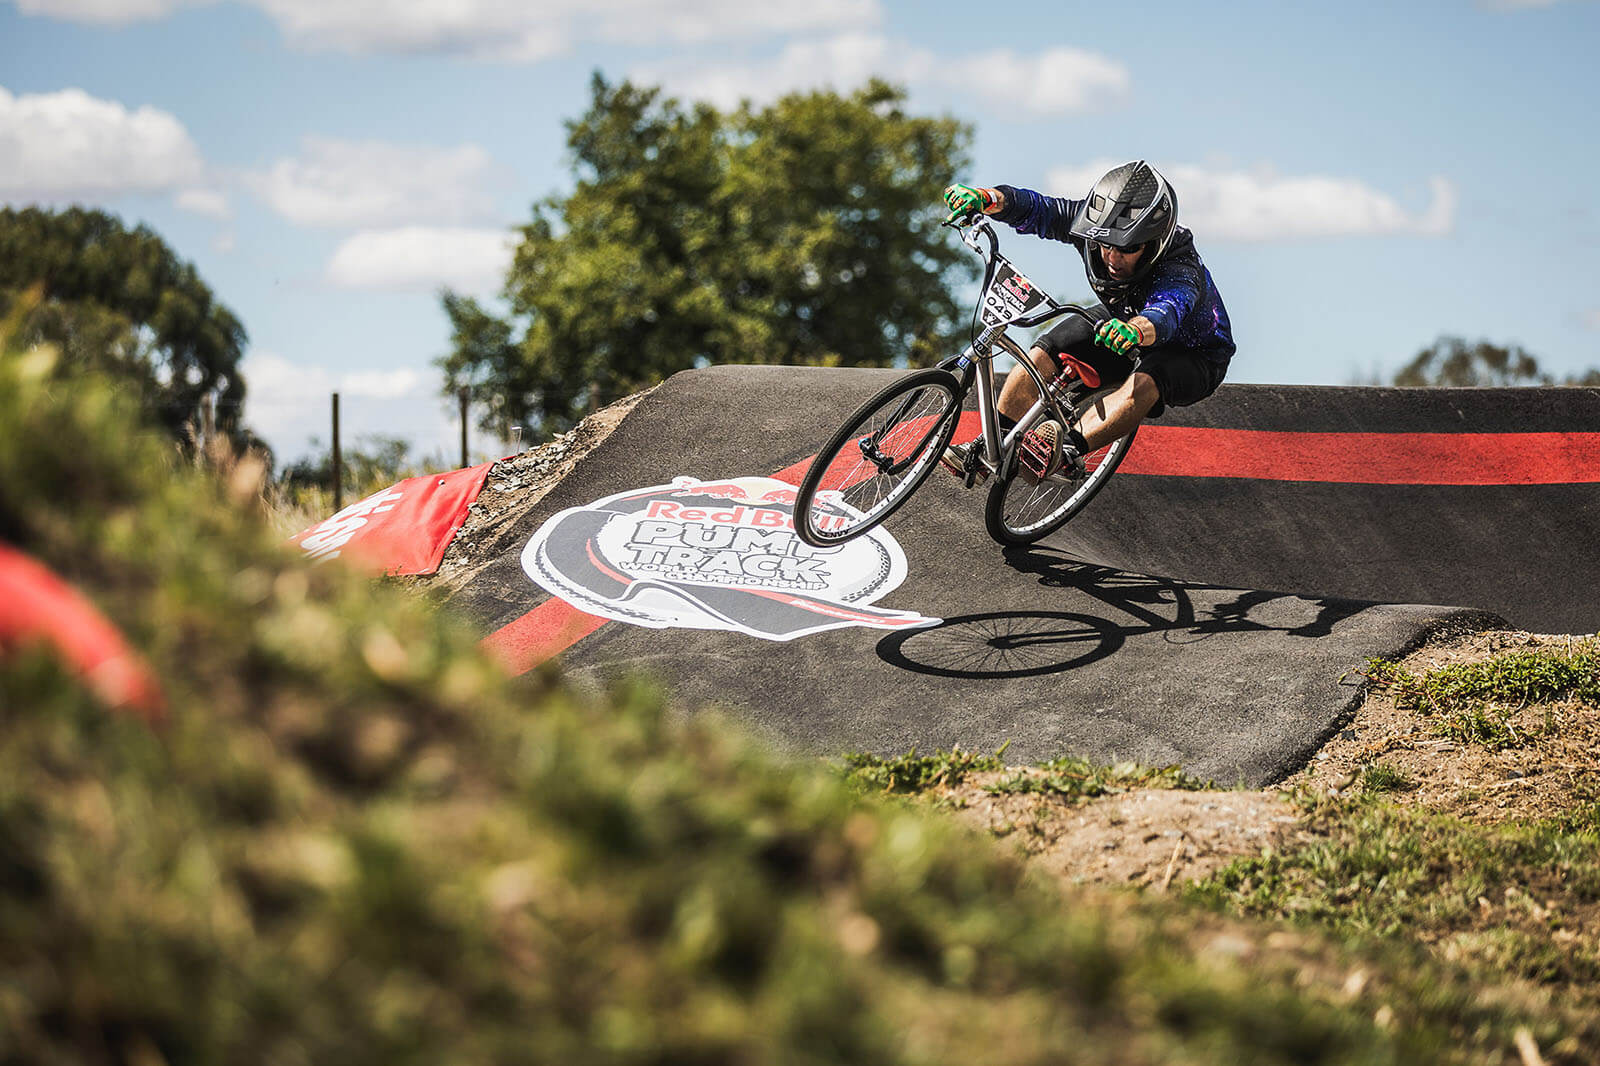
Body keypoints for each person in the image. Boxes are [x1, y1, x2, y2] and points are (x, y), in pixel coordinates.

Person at [938, 161, 1234, 480]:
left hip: (1192, 353)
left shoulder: (1180, 268)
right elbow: (1040, 209)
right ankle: (986, 451)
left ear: (1154, 242)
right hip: (1119, 317)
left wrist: (1134, 330)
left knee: (1145, 383)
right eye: (1106, 244)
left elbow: (1166, 311)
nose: (1112, 258)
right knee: (1038, 357)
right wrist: (987, 197)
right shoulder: (1093, 227)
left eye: (1128, 249)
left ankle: (1067, 450)